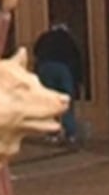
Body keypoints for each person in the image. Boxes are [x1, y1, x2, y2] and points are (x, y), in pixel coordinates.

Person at [30, 18, 86, 148]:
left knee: (50, 102)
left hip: (46, 67)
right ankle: (71, 134)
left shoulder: (45, 36)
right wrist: (80, 80)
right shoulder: (69, 39)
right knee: (65, 101)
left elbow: (36, 51)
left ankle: (52, 134)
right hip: (63, 69)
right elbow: (77, 59)